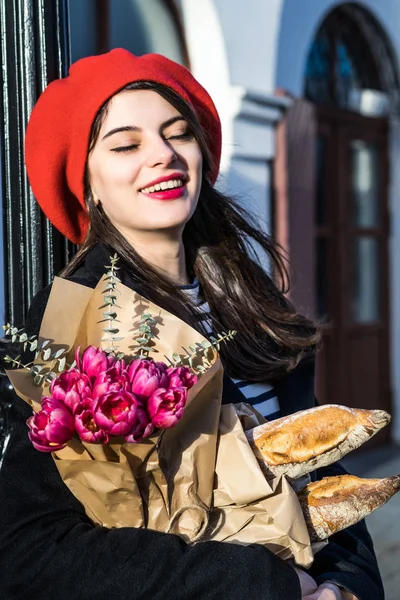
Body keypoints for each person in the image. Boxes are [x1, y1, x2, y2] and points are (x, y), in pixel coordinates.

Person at [0, 48, 383, 600]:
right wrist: (268, 586)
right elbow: (30, 551)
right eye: (127, 144)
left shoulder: (249, 301)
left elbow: (321, 472)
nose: (163, 155)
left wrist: (347, 588)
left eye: (178, 134)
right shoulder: (70, 326)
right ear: (88, 185)